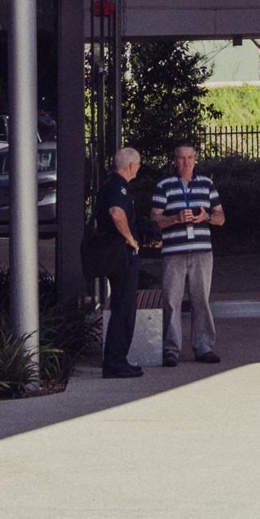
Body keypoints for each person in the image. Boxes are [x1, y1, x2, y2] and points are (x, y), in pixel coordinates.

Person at [85, 146, 154, 378]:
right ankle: (115, 362)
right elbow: (116, 213)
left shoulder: (111, 185)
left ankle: (118, 359)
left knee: (122, 307)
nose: (139, 168)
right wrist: (130, 239)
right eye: (138, 164)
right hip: (120, 254)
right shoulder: (118, 187)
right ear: (131, 166)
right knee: (124, 308)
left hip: (116, 253)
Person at [153, 141, 223, 366]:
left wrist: (207, 217)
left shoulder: (207, 184)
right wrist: (175, 219)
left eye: (190, 158)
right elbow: (155, 218)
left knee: (201, 300)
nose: (186, 162)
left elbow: (221, 217)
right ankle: (170, 349)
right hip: (174, 251)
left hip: (202, 252)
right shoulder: (164, 185)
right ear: (175, 161)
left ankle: (203, 346)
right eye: (181, 158)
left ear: (195, 159)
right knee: (171, 300)